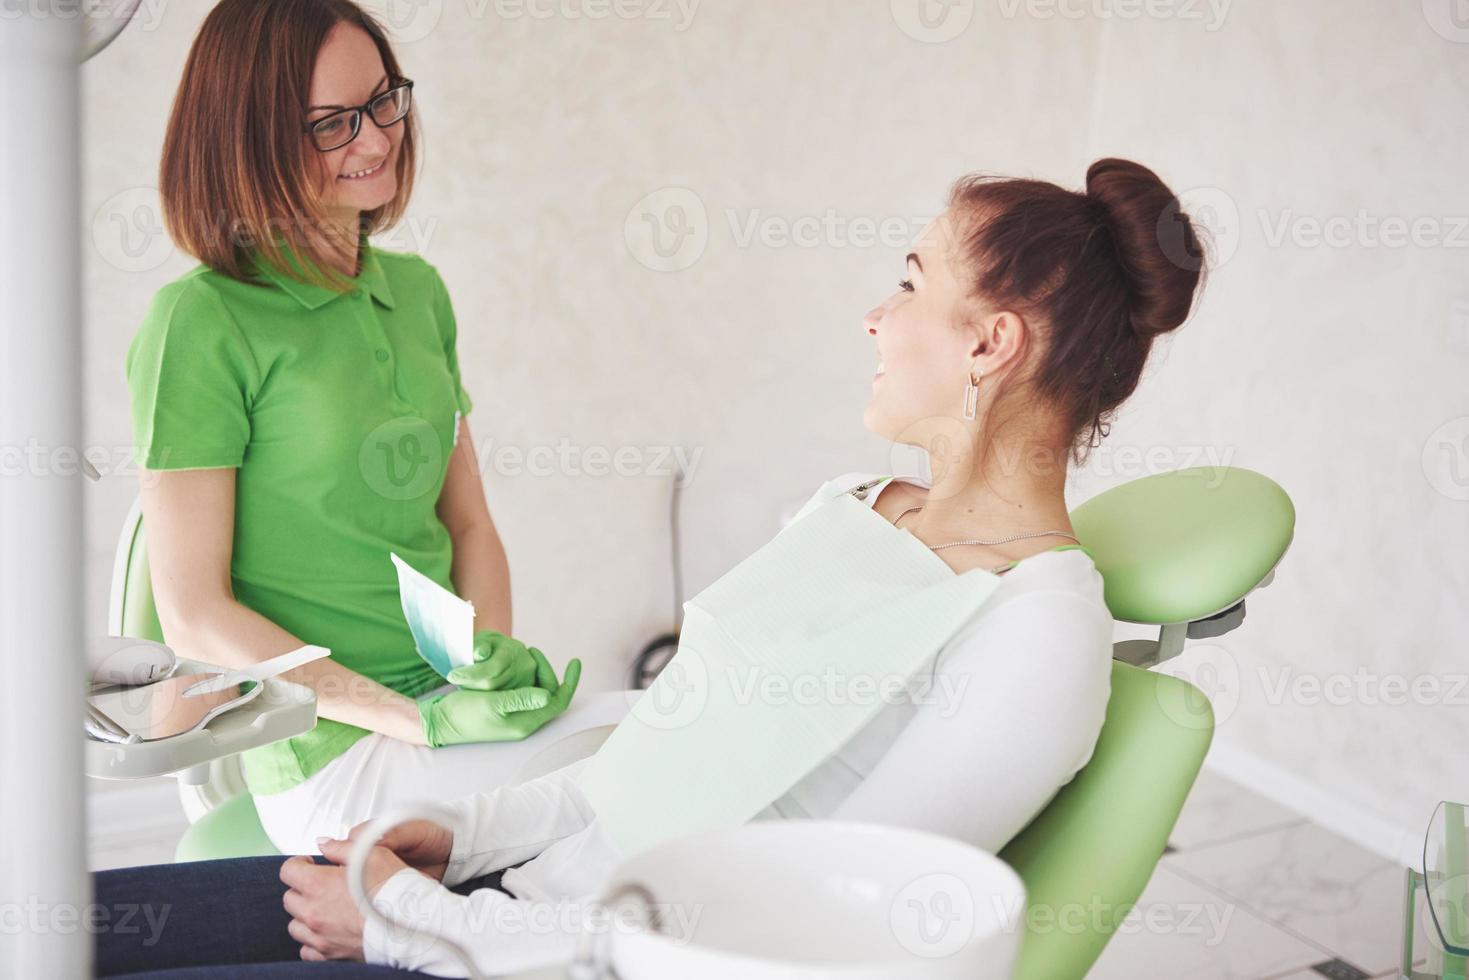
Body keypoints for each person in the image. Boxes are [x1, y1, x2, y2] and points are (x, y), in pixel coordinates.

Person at [97, 156, 1206, 978]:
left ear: (989, 344)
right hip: (515, 906)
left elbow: (795, 931)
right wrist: (463, 837)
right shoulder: (852, 508)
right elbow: (650, 766)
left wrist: (415, 925)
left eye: (910, 283)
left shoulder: (1036, 631)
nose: (874, 316)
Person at [125, 0, 628, 857]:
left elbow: (466, 521)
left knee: (670, 728)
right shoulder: (200, 322)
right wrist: (411, 721)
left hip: (441, 713)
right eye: (331, 124)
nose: (375, 141)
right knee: (651, 778)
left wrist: (487, 665)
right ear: (246, 140)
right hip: (327, 756)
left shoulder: (419, 292)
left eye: (383, 101)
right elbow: (195, 616)